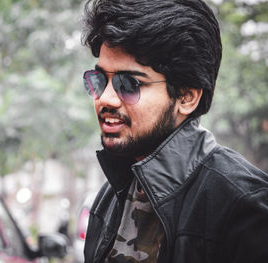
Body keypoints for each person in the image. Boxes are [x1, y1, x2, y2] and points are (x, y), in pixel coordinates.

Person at [80, 0, 268, 262]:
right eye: (99, 80)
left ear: (186, 97)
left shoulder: (245, 207)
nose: (106, 99)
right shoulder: (110, 197)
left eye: (129, 84)